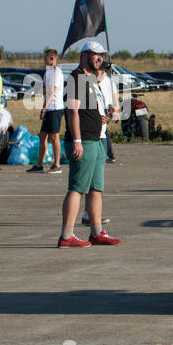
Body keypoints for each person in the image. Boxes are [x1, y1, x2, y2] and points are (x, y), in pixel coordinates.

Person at [58, 42, 121, 247]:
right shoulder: (76, 78)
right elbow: (71, 111)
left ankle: (96, 232)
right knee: (77, 188)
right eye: (96, 55)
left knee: (96, 189)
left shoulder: (89, 80)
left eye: (101, 56)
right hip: (83, 140)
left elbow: (87, 109)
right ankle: (66, 236)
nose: (100, 59)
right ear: (85, 55)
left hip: (96, 140)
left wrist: (103, 116)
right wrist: (77, 141)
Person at [31, 48, 64, 173]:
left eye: (46, 58)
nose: (44, 60)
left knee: (54, 136)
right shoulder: (47, 73)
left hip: (55, 108)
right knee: (43, 135)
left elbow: (52, 92)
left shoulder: (57, 73)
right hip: (49, 108)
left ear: (52, 59)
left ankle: (57, 165)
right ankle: (39, 165)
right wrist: (37, 88)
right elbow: (46, 89)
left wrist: (44, 108)